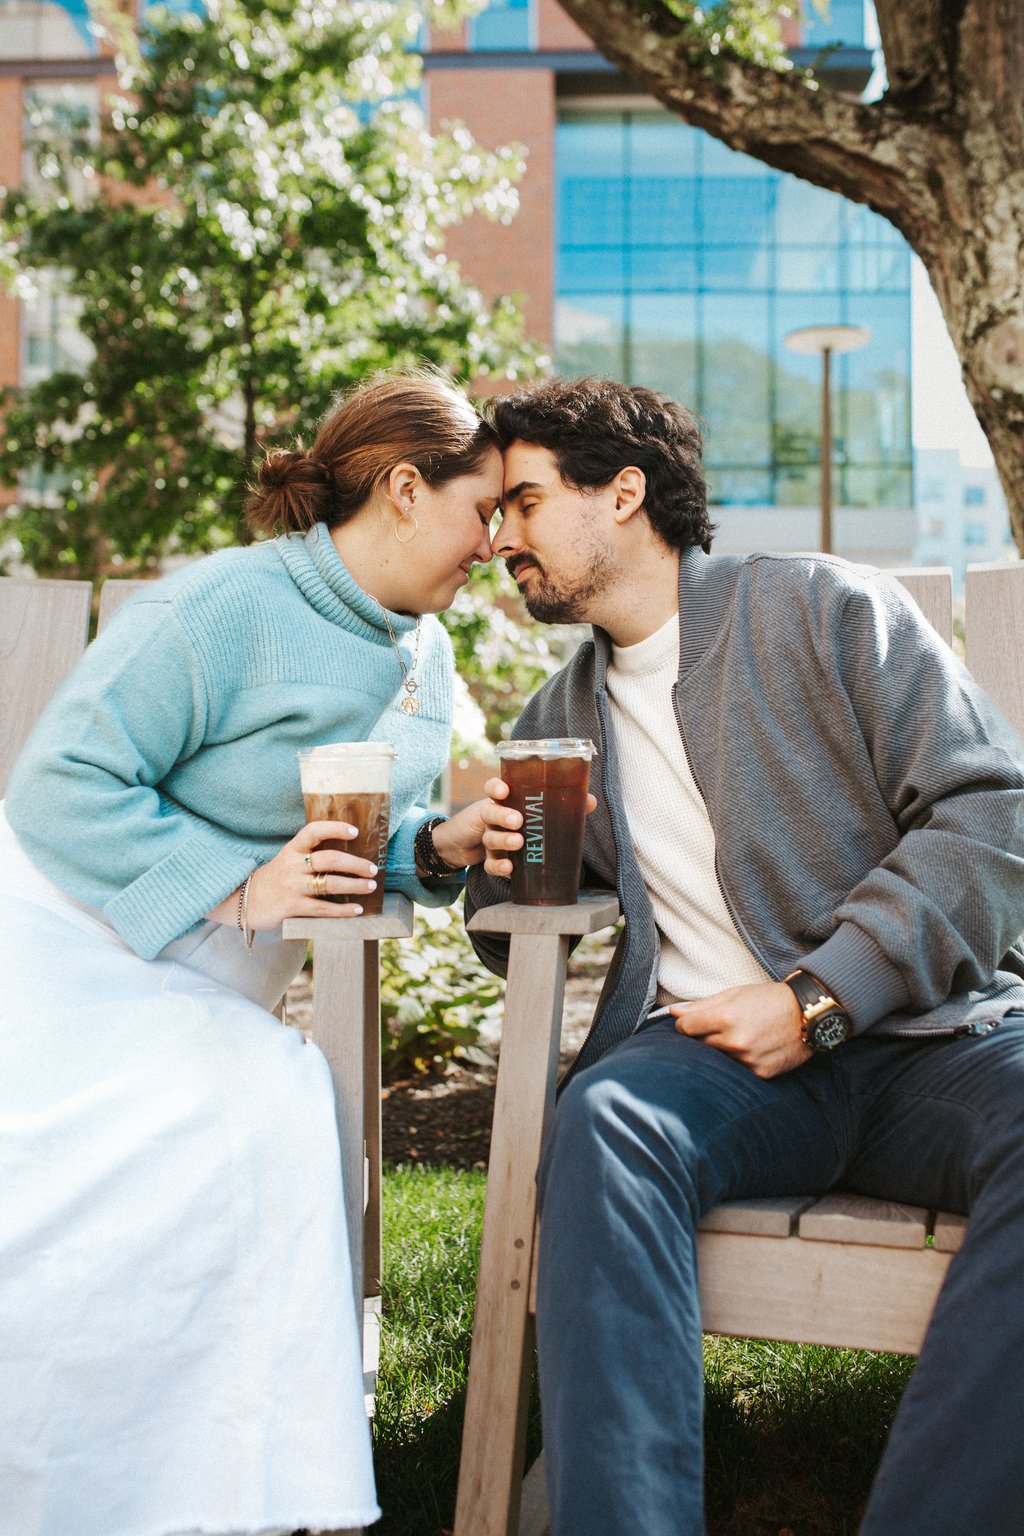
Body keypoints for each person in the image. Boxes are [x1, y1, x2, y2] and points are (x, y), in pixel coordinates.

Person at [468, 375, 1024, 1536]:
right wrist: (476, 857)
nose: (499, 535)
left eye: (521, 501)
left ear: (623, 491)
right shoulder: (550, 725)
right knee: (606, 1124)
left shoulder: (823, 611)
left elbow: (989, 816)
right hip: (713, 1067)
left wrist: (820, 997)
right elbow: (507, 928)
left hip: (928, 1042)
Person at [0, 368, 509, 1536]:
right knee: (251, 1106)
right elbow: (58, 787)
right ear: (401, 488)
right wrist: (236, 888)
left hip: (206, 976)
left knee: (252, 1113)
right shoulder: (223, 606)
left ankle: (230, 1486)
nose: (491, 542)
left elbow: (357, 847)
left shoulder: (422, 651)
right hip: (63, 943)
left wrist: (438, 846)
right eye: (481, 508)